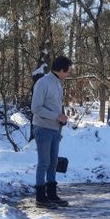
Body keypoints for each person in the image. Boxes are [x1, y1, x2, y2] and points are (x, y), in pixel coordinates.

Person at [31, 56, 73, 209]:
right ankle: (40, 197)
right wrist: (56, 116)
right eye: (68, 71)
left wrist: (61, 118)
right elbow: (35, 108)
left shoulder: (58, 83)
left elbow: (55, 106)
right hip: (42, 128)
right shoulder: (43, 83)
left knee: (53, 163)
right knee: (44, 163)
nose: (68, 74)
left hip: (55, 128)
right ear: (61, 70)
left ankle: (52, 194)